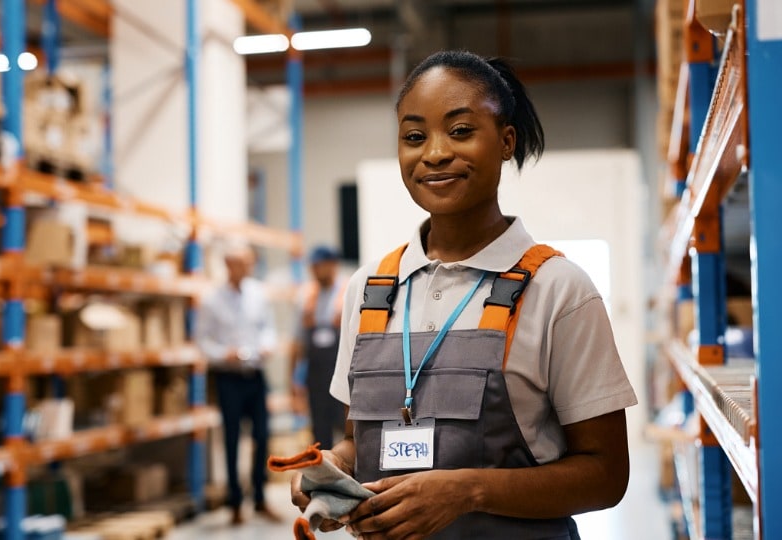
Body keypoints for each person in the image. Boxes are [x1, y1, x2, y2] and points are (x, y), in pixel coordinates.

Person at [289, 50, 637, 539]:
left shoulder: (558, 290)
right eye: (414, 136)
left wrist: (468, 492)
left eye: (460, 131)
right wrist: (335, 467)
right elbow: (358, 440)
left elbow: (606, 475)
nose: (433, 153)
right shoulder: (368, 290)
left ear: (506, 142)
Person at [195, 243, 282, 525]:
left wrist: (268, 346)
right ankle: (235, 502)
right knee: (232, 438)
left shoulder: (258, 294)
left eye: (249, 263)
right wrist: (224, 354)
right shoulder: (211, 300)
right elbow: (202, 341)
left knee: (262, 435)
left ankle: (259, 497)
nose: (246, 268)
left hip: (255, 375)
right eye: (240, 263)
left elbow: (268, 328)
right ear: (228, 264)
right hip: (228, 377)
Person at [291, 245, 347, 448]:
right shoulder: (306, 297)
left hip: (341, 371)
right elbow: (297, 344)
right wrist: (294, 382)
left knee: (346, 427)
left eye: (319, 266)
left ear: (333, 265)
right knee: (320, 431)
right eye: (312, 266)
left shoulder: (348, 293)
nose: (315, 270)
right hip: (316, 376)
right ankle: (323, 476)